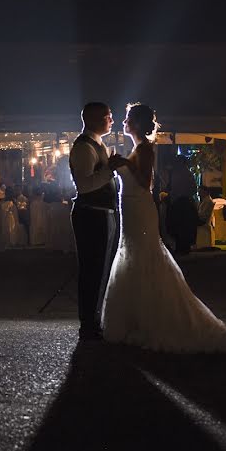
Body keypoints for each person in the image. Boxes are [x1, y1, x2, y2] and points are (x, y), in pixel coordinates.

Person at [101, 103, 226, 353]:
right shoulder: (137, 148)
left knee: (143, 255)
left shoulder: (145, 149)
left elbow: (145, 182)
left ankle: (151, 319)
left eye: (127, 119)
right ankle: (135, 317)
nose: (123, 122)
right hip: (130, 208)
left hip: (139, 208)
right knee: (131, 253)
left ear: (136, 123)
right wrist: (124, 164)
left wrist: (123, 166)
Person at [69, 102, 128, 341]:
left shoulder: (97, 143)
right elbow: (84, 185)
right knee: (92, 269)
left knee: (101, 268)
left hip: (103, 213)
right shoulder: (83, 147)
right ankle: (88, 323)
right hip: (91, 214)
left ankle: (95, 319)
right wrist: (110, 170)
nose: (112, 121)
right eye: (108, 116)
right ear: (93, 119)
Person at [165, 154, 199, 255]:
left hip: (179, 203)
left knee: (179, 227)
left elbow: (192, 189)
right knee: (184, 227)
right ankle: (184, 247)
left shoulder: (176, 174)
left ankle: (181, 247)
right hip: (184, 203)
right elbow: (193, 189)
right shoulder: (187, 174)